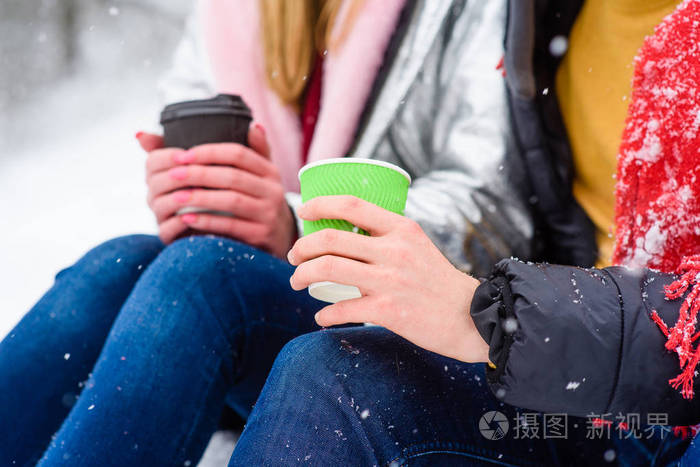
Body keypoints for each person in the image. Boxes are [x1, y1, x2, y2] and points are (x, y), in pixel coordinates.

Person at [0, 0, 531, 465]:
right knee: (120, 263)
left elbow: (496, 208)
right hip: (280, 295)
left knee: (203, 275)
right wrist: (192, 192)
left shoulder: (468, 7)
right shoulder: (229, 11)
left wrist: (297, 225)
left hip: (419, 323)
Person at [229, 0, 700, 465]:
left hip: (650, 398)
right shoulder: (540, 13)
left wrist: (493, 315)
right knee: (218, 281)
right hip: (572, 366)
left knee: (324, 374)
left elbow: (489, 199)